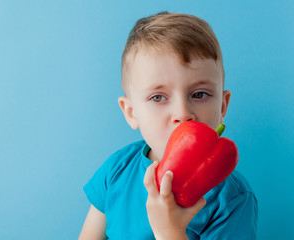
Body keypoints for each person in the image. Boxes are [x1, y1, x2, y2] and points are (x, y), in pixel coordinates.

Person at [79, 12, 258, 239]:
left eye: (199, 94)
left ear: (222, 107)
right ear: (131, 112)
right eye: (158, 97)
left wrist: (169, 232)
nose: (182, 114)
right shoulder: (116, 170)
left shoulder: (232, 198)